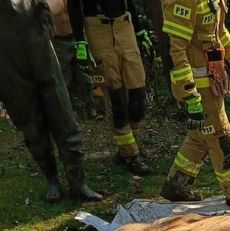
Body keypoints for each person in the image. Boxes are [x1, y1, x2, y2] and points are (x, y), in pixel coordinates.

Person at [160, 0, 230, 212]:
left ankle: (176, 186)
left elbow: (218, 31)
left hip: (213, 79)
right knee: (222, 137)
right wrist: (190, 95)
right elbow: (176, 51)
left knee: (199, 137)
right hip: (198, 87)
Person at [0, 0, 102, 203]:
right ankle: (52, 180)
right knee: (30, 122)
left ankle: (78, 182)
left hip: (36, 39)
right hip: (6, 55)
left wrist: (44, 9)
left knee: (61, 110)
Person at [67, 0, 155, 175]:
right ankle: (131, 155)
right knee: (116, 98)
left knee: (138, 98)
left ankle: (125, 148)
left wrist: (139, 30)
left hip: (124, 25)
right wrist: (79, 40)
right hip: (97, 28)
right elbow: (74, 5)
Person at [48, 0, 98, 119]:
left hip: (78, 37)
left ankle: (92, 106)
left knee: (86, 74)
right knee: (64, 78)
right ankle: (69, 111)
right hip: (58, 39)